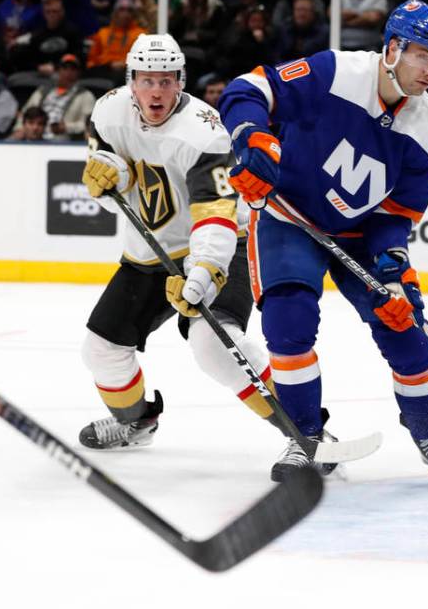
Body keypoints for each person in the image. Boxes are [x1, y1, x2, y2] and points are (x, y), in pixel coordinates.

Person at [218, 0, 428, 487]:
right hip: (286, 217)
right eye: (424, 54)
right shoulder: (334, 72)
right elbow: (248, 88)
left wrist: (391, 271)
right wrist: (251, 137)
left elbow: (395, 215)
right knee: (288, 324)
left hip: (360, 233)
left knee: (406, 328)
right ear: (393, 47)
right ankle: (305, 437)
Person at [75, 34, 285, 469]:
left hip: (221, 248)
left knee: (215, 345)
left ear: (181, 81)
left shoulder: (205, 132)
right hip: (150, 252)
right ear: (131, 80)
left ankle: (304, 429)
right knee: (101, 348)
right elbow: (116, 167)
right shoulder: (108, 111)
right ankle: (135, 422)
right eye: (147, 80)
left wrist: (203, 271)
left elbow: (216, 214)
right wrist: (110, 173)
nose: (156, 91)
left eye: (167, 81)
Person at [13, 53, 96, 141]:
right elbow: (25, 113)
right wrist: (18, 129)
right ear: (58, 70)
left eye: (73, 68)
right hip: (35, 134)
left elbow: (90, 125)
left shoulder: (86, 96)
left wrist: (67, 127)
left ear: (78, 72)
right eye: (65, 68)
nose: (68, 72)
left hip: (63, 139)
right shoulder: (42, 91)